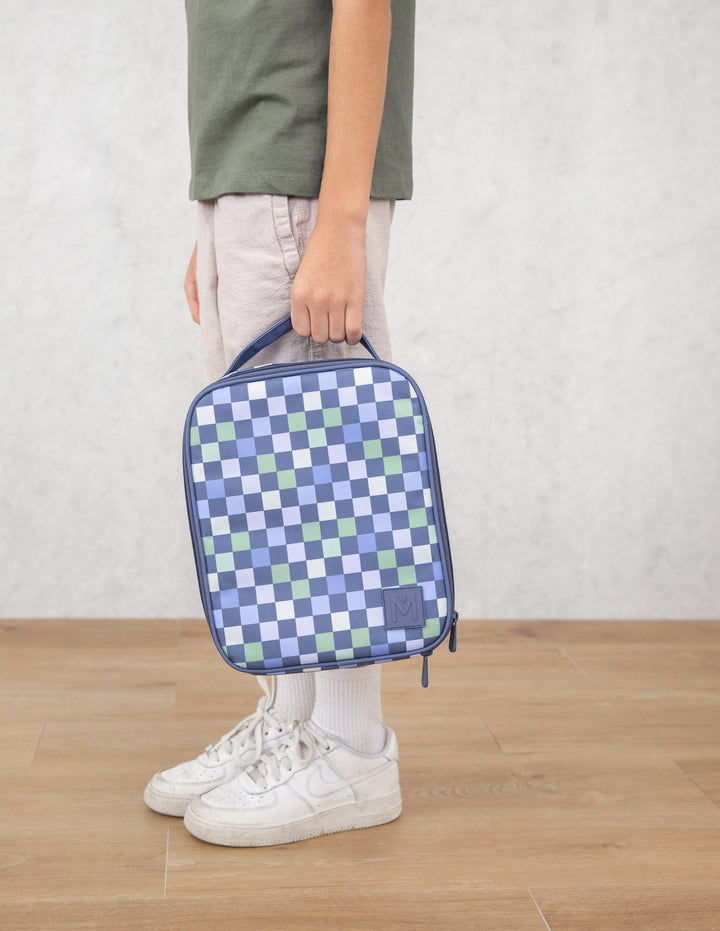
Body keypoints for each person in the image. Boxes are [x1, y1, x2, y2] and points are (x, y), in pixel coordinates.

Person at [144, 0, 415, 847]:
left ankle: (350, 743)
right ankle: (293, 719)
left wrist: (335, 217)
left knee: (323, 474)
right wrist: (225, 205)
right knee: (270, 488)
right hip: (256, 171)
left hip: (303, 170)